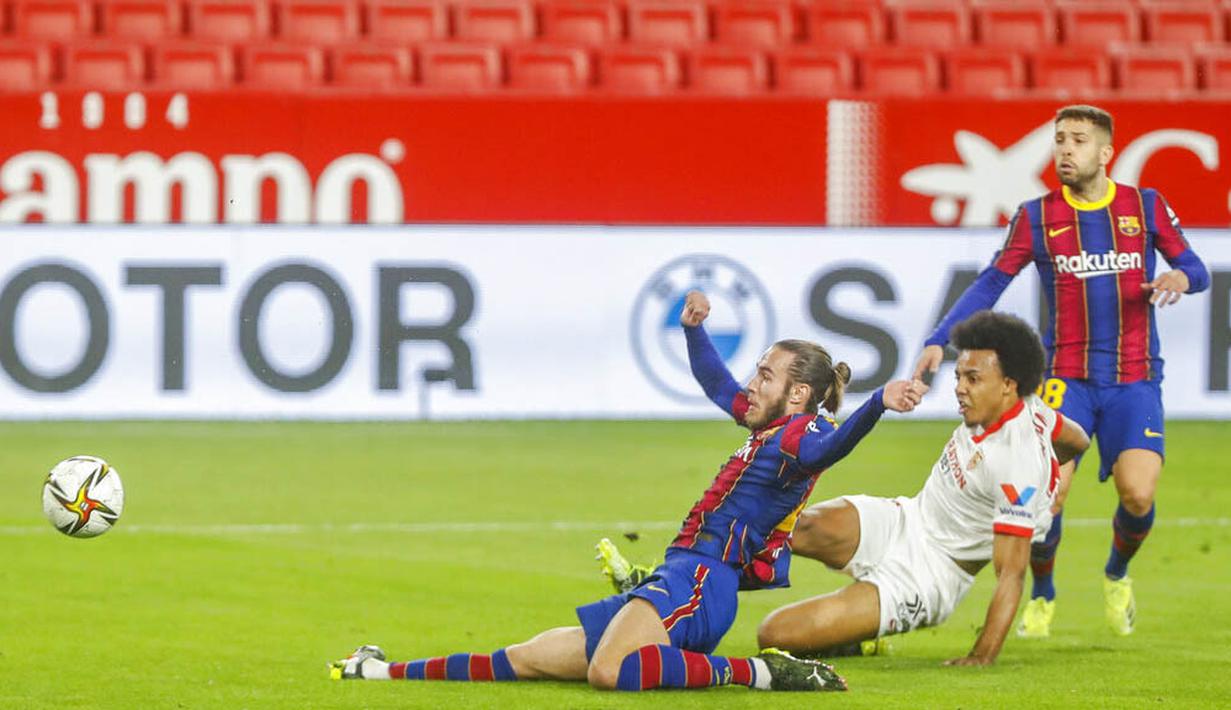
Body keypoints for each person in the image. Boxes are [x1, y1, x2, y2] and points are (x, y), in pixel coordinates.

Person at [330, 290, 926, 692]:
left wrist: (877, 403)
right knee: (531, 656)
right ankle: (379, 670)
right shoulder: (768, 423)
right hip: (678, 574)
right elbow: (717, 382)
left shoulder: (804, 433)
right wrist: (695, 332)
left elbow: (832, 448)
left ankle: (760, 673)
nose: (752, 382)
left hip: (703, 582)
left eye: (766, 374)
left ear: (798, 395)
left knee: (610, 670)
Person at [913, 105, 1210, 638]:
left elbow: (1195, 268)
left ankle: (1117, 574)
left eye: (1077, 140)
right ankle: (1043, 595)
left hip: (1134, 378)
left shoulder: (1145, 206)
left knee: (1138, 495)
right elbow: (990, 284)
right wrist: (940, 339)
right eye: (1059, 140)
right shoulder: (1037, 215)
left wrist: (1179, 281)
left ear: (1105, 152)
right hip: (1065, 378)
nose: (1064, 151)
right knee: (1047, 497)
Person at [753, 311, 1090, 666]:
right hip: (907, 518)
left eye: (973, 379)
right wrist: (1059, 475)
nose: (960, 387)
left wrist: (981, 656)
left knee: (775, 634)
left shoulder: (1015, 463)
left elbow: (1011, 575)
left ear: (1008, 385)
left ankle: (856, 636)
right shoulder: (1031, 407)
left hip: (929, 575)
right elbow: (1077, 440)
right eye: (959, 375)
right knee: (788, 528)